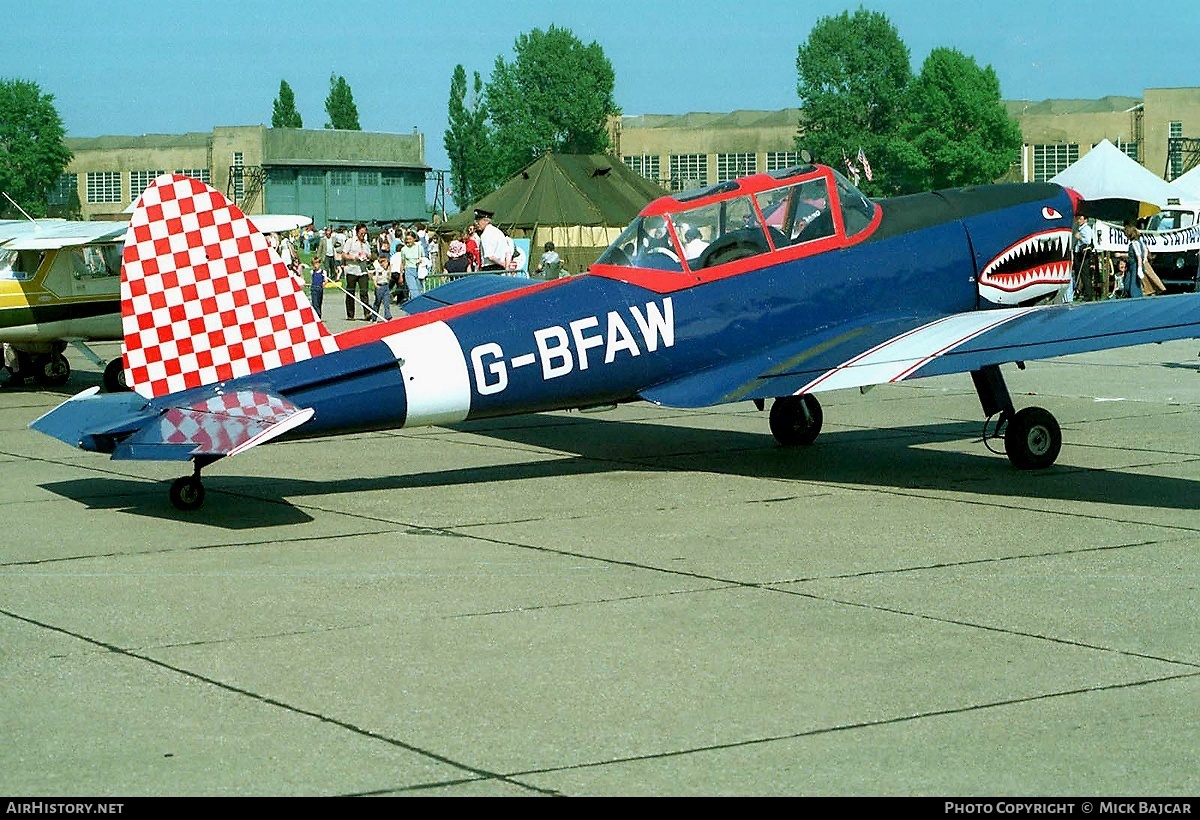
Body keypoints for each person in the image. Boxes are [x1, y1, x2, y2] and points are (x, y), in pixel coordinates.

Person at [341, 223, 373, 320]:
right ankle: (350, 314)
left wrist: (367, 256)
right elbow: (343, 254)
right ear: (357, 232)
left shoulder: (366, 243)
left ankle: (367, 313)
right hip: (352, 270)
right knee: (351, 292)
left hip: (362, 271)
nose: (362, 235)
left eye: (364, 233)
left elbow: (370, 255)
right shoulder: (350, 242)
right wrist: (353, 258)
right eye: (361, 233)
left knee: (364, 292)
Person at [1072, 214, 1096, 301]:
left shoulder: (1086, 228)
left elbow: (1088, 240)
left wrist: (1080, 237)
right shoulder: (1080, 228)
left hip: (1083, 254)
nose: (1078, 221)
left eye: (1080, 219)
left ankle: (1088, 295)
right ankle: (1081, 292)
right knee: (1079, 273)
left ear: (1085, 220)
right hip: (1078, 253)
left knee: (1085, 275)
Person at [399, 230, 424, 300]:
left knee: (419, 291)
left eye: (410, 239)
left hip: (419, 270)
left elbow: (424, 258)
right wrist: (401, 275)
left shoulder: (419, 247)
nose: (408, 241)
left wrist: (421, 260)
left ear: (414, 239)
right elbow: (403, 263)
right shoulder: (403, 249)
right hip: (409, 270)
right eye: (407, 239)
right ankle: (416, 307)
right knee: (414, 292)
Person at [1123, 223, 1144, 298]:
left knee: (1134, 288)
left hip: (1136, 266)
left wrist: (1140, 268)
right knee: (1127, 285)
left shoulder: (1136, 243)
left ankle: (1138, 300)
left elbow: (1139, 256)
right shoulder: (1133, 243)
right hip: (1130, 266)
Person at [370, 254, 392, 322]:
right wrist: (375, 285)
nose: (384, 264)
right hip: (379, 286)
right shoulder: (378, 269)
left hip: (385, 286)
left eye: (385, 262)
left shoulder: (387, 269)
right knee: (377, 302)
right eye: (382, 262)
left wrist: (389, 270)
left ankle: (388, 316)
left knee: (386, 302)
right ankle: (374, 317)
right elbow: (374, 277)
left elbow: (389, 277)